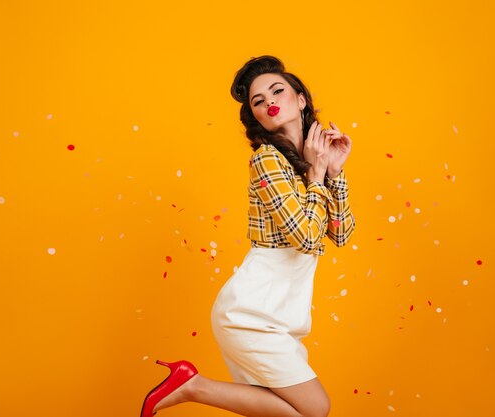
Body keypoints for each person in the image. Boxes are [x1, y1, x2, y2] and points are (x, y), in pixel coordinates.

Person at [140, 55, 355, 417]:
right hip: (251, 312)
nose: (269, 101)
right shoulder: (266, 160)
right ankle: (192, 385)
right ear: (256, 117)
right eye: (258, 101)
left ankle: (188, 383)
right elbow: (305, 238)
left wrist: (334, 172)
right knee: (315, 409)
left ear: (300, 98)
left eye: (277, 90)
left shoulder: (309, 164)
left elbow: (342, 234)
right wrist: (317, 177)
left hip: (281, 314)